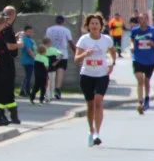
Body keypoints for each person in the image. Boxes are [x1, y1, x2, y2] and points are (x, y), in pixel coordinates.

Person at [74, 13, 116, 146]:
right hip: (86, 75)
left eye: (96, 23)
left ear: (101, 26)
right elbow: (76, 59)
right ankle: (90, 131)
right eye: (92, 23)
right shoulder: (83, 40)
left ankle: (97, 133)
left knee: (98, 101)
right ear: (88, 26)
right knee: (90, 105)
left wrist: (111, 63)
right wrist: (86, 53)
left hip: (102, 74)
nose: (94, 26)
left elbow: (113, 52)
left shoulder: (107, 39)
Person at [0, 6, 22, 124]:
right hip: (6, 61)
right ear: (13, 15)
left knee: (3, 89)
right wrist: (18, 44)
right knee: (7, 89)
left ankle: (9, 115)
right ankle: (10, 116)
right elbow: (8, 45)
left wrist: (14, 38)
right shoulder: (7, 27)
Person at [130, 18, 154, 114]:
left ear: (147, 20)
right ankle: (140, 102)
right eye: (141, 19)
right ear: (139, 21)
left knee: (146, 81)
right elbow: (132, 40)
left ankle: (147, 98)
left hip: (150, 59)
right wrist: (132, 46)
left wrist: (153, 44)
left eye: (144, 19)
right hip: (137, 58)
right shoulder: (135, 30)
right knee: (140, 79)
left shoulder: (153, 30)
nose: (143, 21)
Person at [46, 16, 76, 100]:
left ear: (56, 21)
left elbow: (46, 41)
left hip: (51, 52)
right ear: (63, 22)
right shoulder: (66, 30)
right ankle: (57, 89)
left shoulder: (49, 29)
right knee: (60, 70)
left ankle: (49, 90)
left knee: (50, 72)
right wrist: (75, 52)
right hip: (63, 53)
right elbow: (70, 42)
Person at [19, 25, 37, 98]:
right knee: (28, 76)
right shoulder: (25, 39)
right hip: (28, 60)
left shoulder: (29, 39)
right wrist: (34, 58)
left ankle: (22, 91)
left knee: (27, 76)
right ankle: (26, 91)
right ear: (25, 32)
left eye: (31, 32)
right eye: (29, 32)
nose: (30, 33)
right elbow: (29, 50)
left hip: (30, 61)